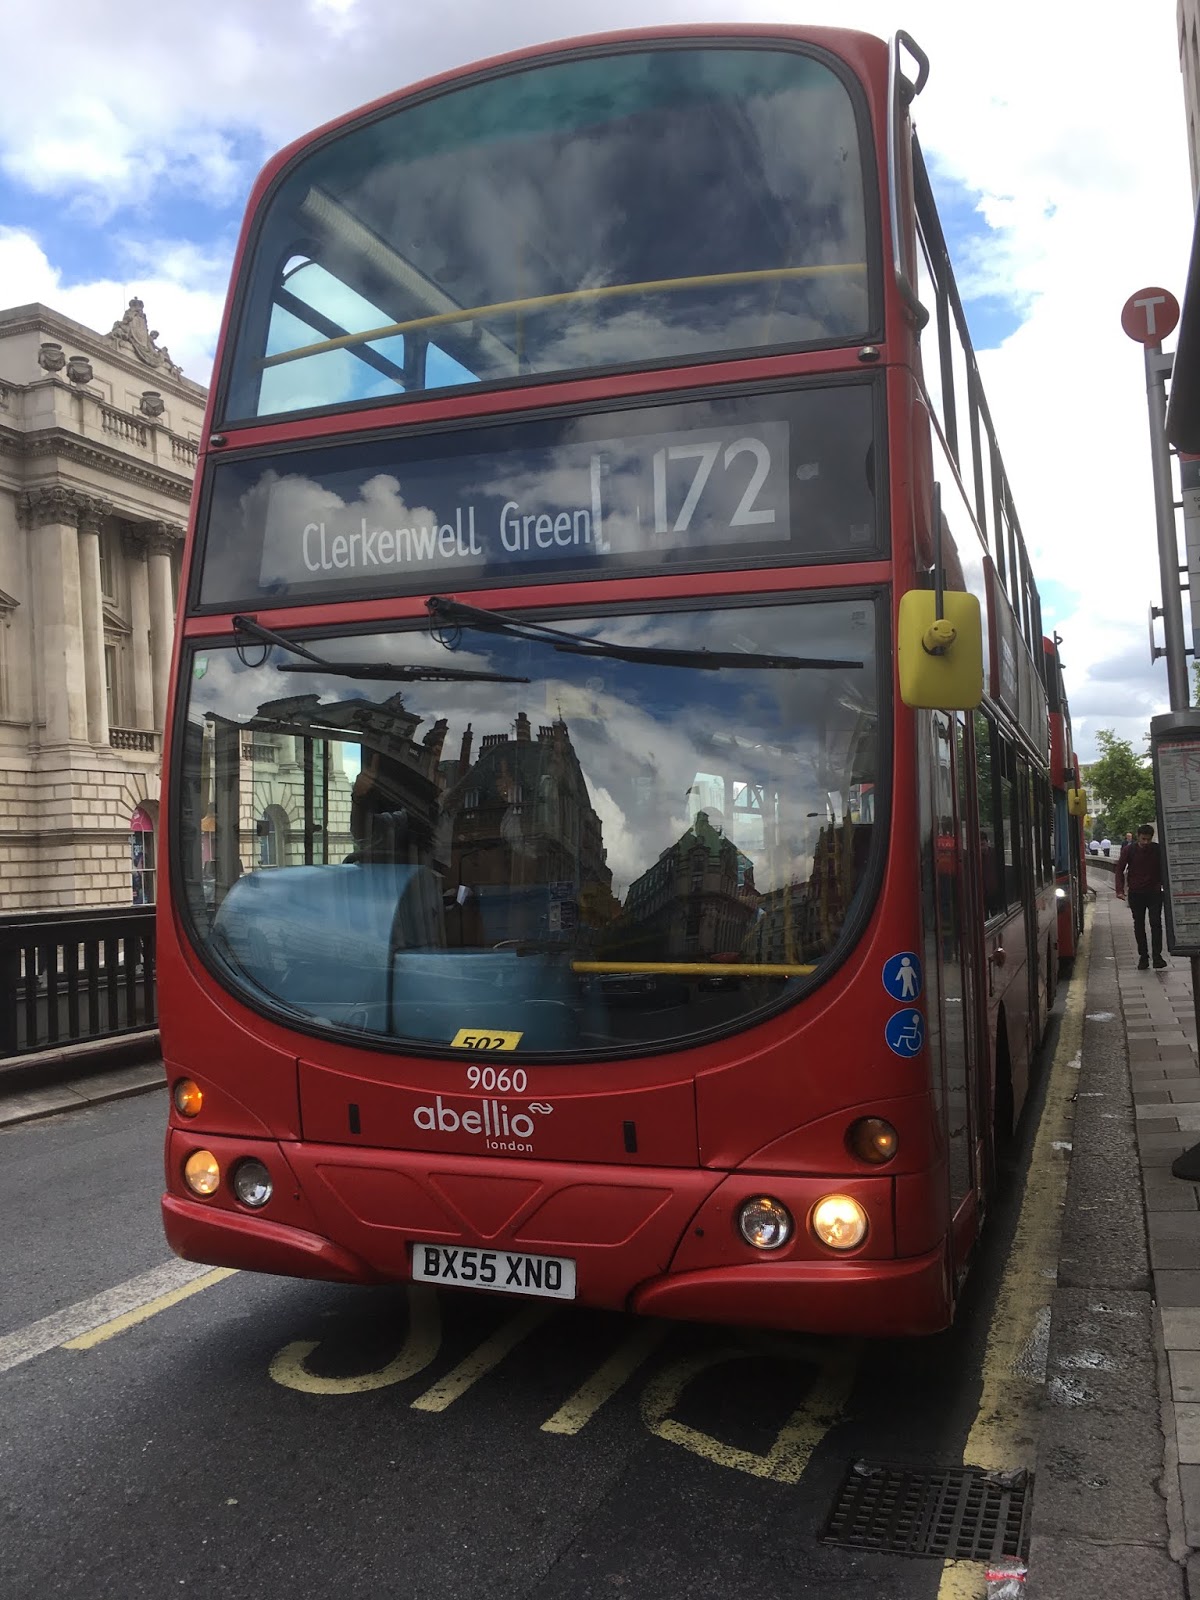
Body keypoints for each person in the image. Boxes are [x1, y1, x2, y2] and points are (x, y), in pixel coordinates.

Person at [1115, 823, 1167, 970]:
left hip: (1154, 891)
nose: (1146, 842)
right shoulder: (1129, 850)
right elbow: (1119, 869)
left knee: (1156, 923)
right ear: (1138, 837)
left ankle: (1157, 957)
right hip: (1136, 893)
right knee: (1139, 925)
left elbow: (1165, 867)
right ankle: (1143, 957)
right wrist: (1119, 890)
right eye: (1143, 839)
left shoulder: (1157, 849)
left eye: (1148, 839)